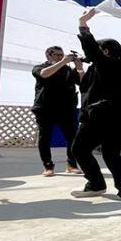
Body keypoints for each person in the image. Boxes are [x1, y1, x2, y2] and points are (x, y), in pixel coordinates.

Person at [70, 8, 121, 200]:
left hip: (102, 115)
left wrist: (82, 22)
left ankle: (96, 183)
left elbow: (90, 47)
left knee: (79, 149)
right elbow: (86, 88)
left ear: (105, 51)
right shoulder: (109, 67)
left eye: (98, 51)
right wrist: (81, 70)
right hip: (120, 116)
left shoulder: (106, 63)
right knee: (111, 153)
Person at [31, 46, 84, 176]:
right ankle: (47, 165)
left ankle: (72, 164)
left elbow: (83, 82)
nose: (61, 57)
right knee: (45, 137)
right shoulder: (40, 67)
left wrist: (79, 68)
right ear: (49, 55)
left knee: (72, 137)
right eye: (57, 55)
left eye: (62, 55)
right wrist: (63, 62)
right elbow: (44, 74)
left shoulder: (67, 70)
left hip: (67, 108)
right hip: (45, 108)